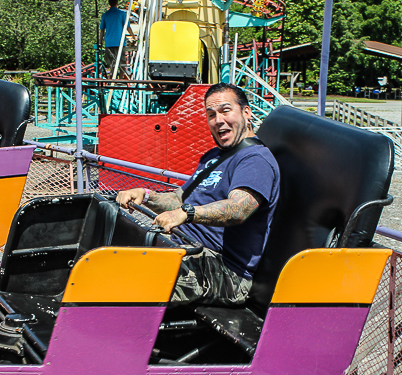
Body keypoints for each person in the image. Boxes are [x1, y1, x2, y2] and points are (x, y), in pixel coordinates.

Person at [116, 83, 280, 307]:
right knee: (110, 257)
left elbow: (239, 209)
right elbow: (179, 199)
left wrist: (187, 214)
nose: (218, 120)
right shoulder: (214, 156)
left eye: (225, 111)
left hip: (225, 273)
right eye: (211, 115)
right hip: (186, 249)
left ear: (246, 112)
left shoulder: (255, 160)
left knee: (129, 282)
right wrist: (145, 196)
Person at [99, 0, 135, 79]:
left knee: (111, 61)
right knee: (122, 61)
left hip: (109, 42)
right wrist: (133, 36)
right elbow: (128, 27)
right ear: (117, 3)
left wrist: (100, 41)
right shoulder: (122, 14)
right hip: (120, 41)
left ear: (109, 4)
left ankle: (111, 77)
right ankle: (121, 78)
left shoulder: (105, 15)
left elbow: (102, 30)